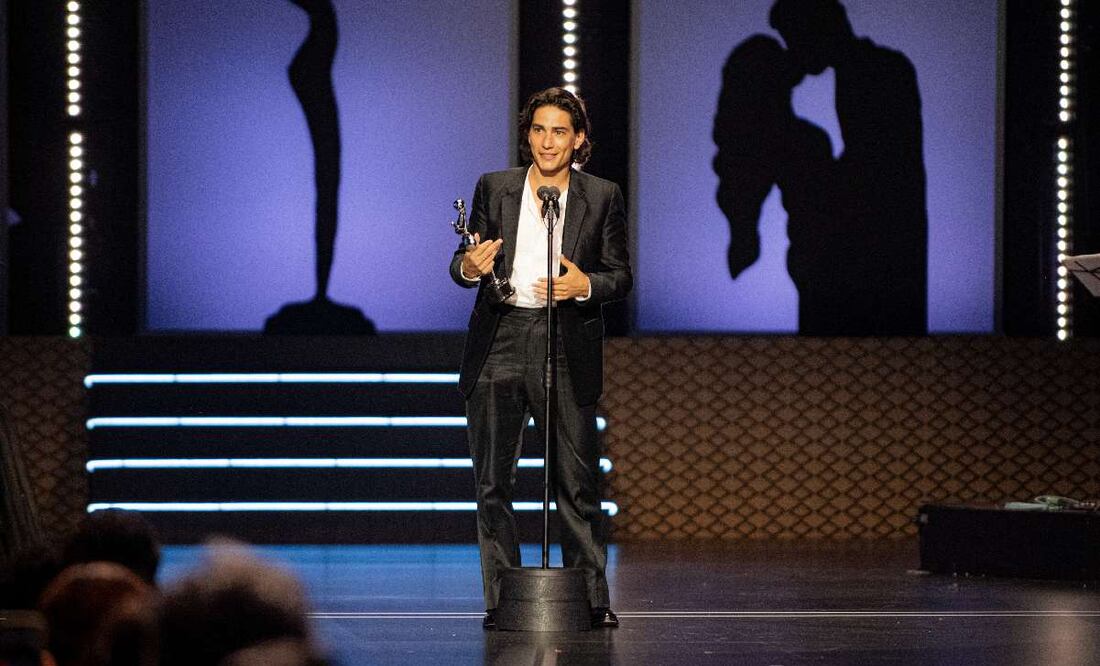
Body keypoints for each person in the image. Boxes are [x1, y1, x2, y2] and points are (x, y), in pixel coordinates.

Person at [450, 87, 631, 630]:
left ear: (579, 140)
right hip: (501, 336)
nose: (547, 142)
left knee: (575, 483)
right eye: (538, 130)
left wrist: (584, 284)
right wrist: (469, 268)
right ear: (527, 135)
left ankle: (592, 600)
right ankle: (502, 598)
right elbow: (462, 263)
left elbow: (621, 275)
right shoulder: (495, 187)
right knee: (493, 482)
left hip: (564, 339)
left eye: (559, 132)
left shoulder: (601, 196)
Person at [768, 0, 928, 335]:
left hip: (876, 261)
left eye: (795, 38)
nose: (793, 49)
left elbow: (877, 167)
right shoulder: (869, 69)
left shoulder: (874, 72)